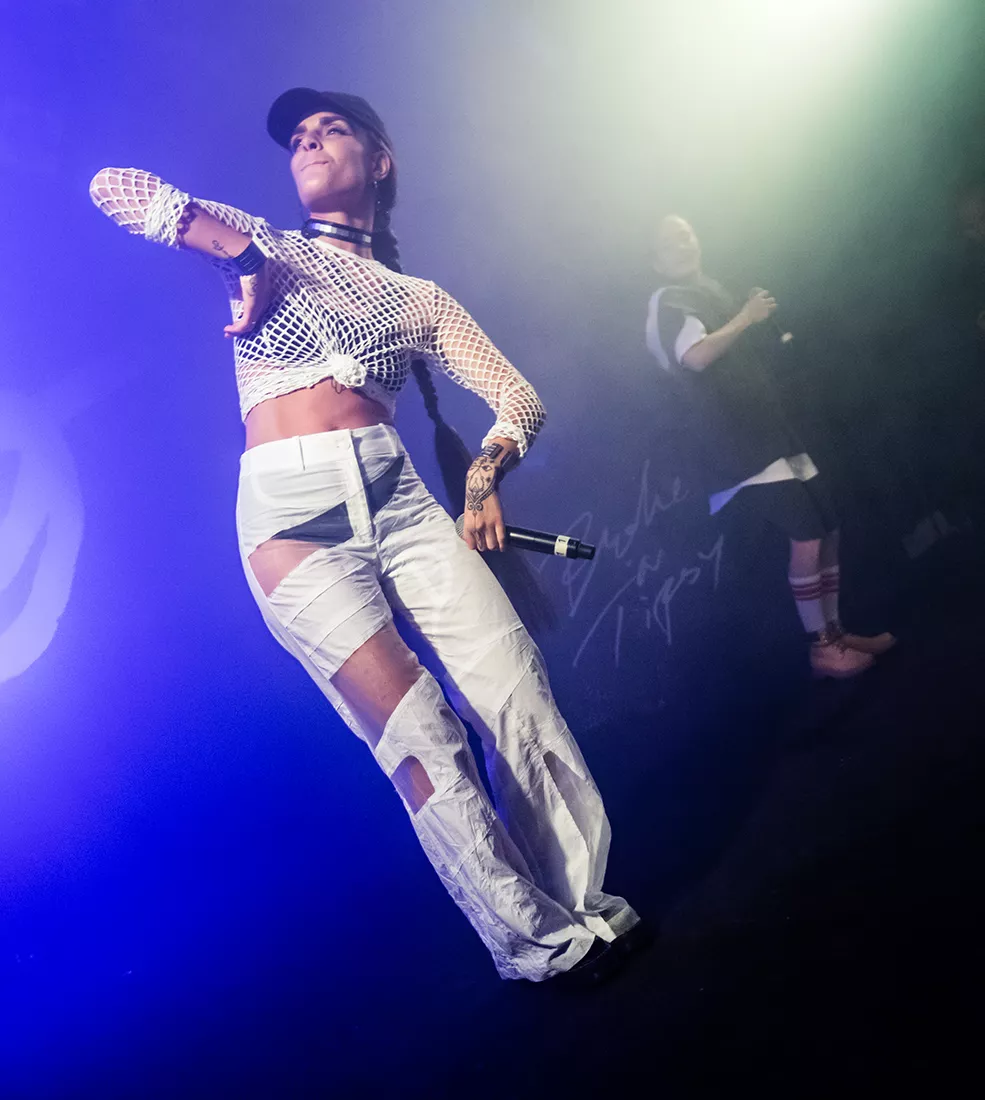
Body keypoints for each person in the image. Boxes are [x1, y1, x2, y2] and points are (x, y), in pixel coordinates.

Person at [89, 88, 642, 984]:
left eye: (330, 129)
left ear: (379, 161)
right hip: (290, 521)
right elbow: (112, 186)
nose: (308, 143)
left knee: (517, 693)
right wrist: (241, 255)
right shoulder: (262, 242)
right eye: (297, 138)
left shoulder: (419, 299)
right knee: (423, 735)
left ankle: (579, 903)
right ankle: (538, 947)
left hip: (401, 504)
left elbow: (518, 399)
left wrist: (481, 480)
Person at [645, 215, 895, 678]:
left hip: (769, 430)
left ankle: (836, 633)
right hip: (736, 443)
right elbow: (693, 356)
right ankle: (822, 647)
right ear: (656, 261)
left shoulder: (709, 288)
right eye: (669, 242)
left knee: (828, 525)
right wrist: (745, 317)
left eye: (685, 235)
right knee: (807, 533)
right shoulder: (668, 301)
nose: (681, 245)